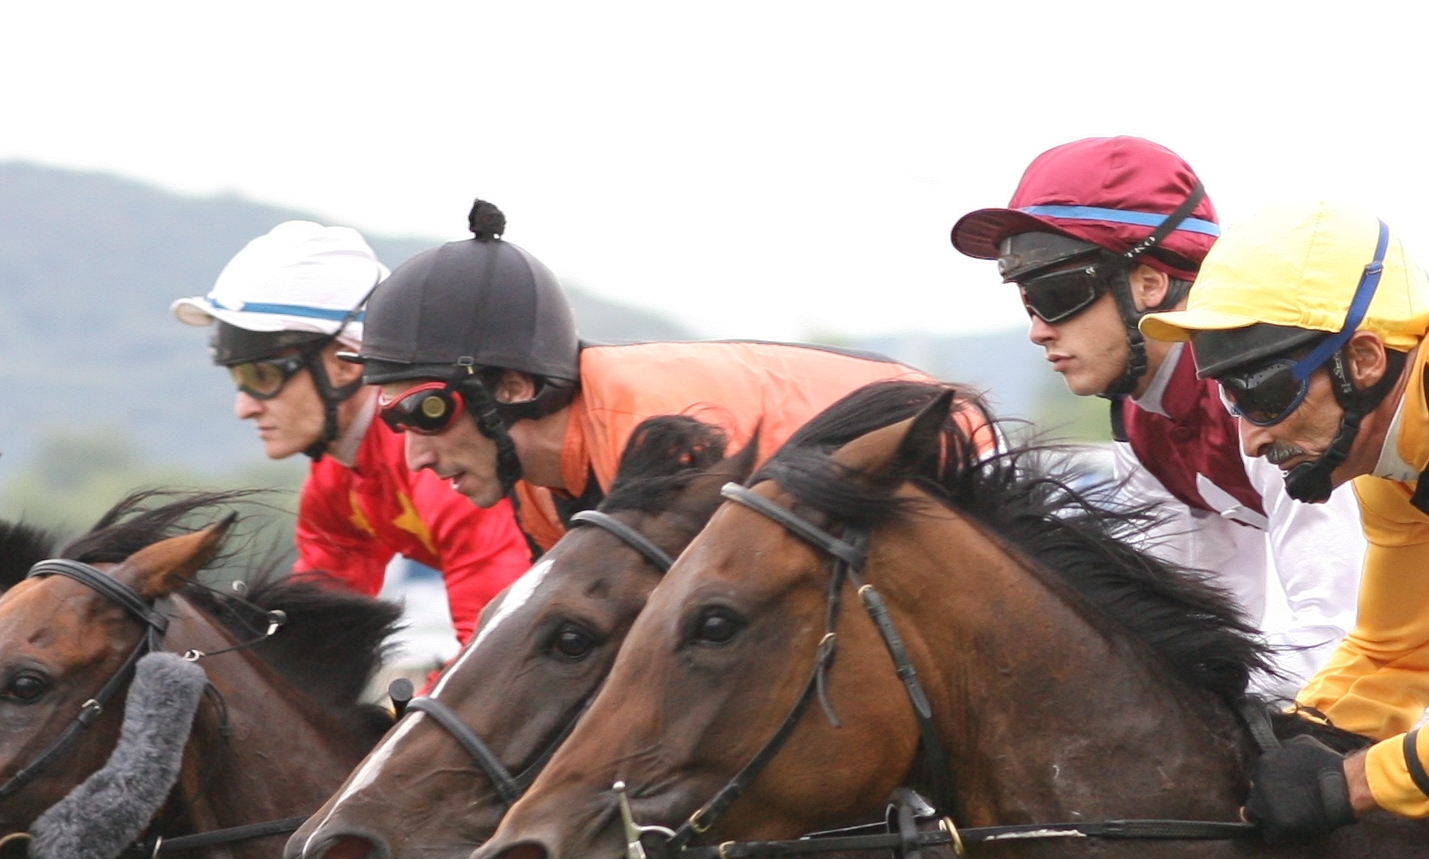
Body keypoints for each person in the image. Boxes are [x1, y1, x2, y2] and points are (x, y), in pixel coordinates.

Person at [951, 137, 1362, 692]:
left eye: (1056, 292)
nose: (1037, 329)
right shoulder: (1143, 419)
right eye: (1026, 301)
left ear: (1150, 282)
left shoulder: (1276, 389)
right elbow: (1202, 624)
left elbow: (1344, 638)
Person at [353, 202, 955, 553]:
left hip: (939, 450)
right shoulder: (535, 480)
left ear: (512, 386)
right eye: (392, 419)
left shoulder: (646, 431)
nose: (414, 460)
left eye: (427, 413)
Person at [1138, 203, 1429, 839]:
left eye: (1263, 393)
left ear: (1365, 360)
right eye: (1229, 397)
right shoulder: (1393, 476)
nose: (1250, 440)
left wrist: (1356, 783)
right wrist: (1293, 735)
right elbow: (1396, 654)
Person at [173, 221, 530, 642]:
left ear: (345, 364)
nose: (244, 408)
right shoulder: (334, 482)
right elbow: (306, 639)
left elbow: (494, 642)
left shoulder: (440, 453)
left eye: (263, 374)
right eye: (239, 378)